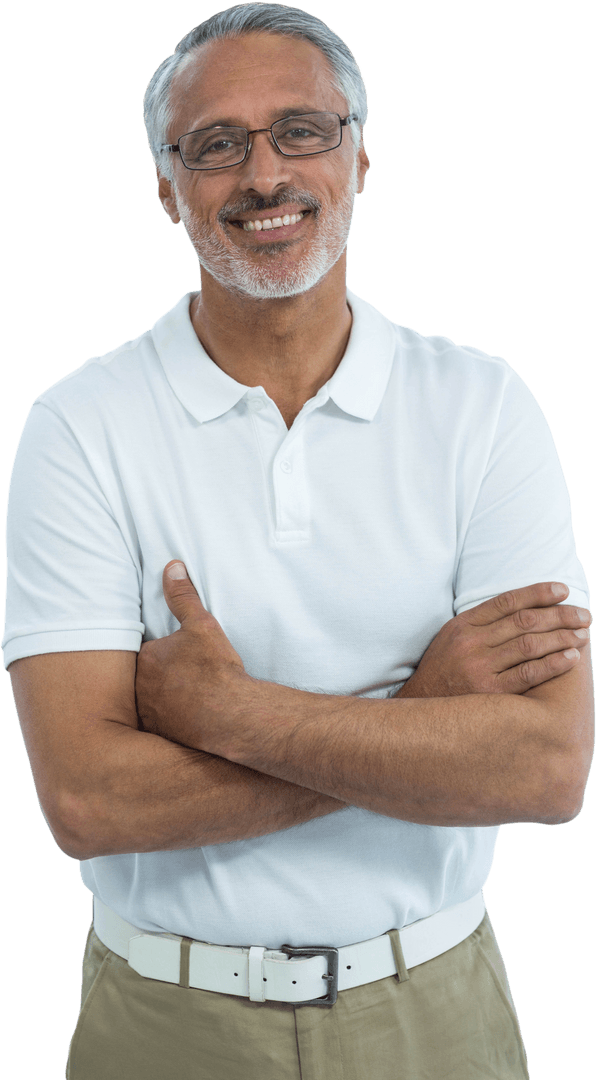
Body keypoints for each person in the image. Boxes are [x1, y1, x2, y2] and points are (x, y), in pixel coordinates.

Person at [2, 4, 593, 1078]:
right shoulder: (80, 426)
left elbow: (546, 768)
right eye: (214, 145)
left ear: (359, 157)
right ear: (166, 190)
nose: (262, 173)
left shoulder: (480, 406)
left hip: (436, 1015)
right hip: (164, 1023)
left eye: (301, 131)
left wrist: (229, 717)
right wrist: (419, 718)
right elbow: (87, 802)